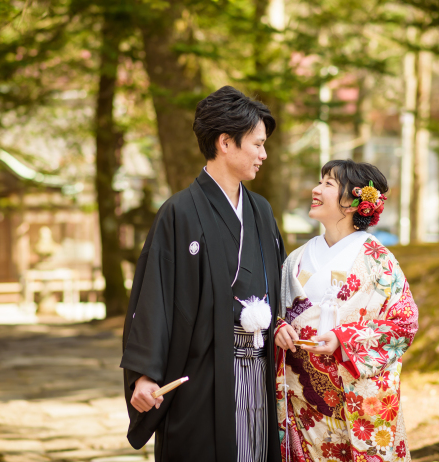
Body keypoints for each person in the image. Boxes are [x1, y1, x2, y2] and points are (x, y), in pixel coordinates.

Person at [120, 86, 286, 462]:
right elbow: (153, 300)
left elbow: (279, 285)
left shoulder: (261, 210)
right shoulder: (178, 213)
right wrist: (144, 374)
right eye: (257, 144)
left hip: (258, 371)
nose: (264, 154)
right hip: (200, 377)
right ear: (225, 142)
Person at [274, 160, 419, 462]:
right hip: (302, 401)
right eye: (320, 181)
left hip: (354, 398)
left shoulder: (379, 261)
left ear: (354, 202)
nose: (316, 189)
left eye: (328, 183)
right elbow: (274, 309)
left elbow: (403, 324)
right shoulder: (296, 259)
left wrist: (344, 338)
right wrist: (277, 327)